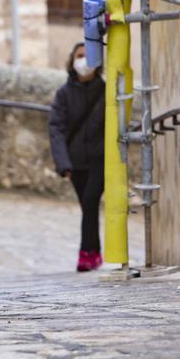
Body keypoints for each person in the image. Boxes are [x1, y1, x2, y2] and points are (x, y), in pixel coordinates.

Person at [48, 42, 106, 272]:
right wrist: (63, 164)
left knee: (91, 201)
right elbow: (56, 129)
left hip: (99, 160)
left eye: (87, 56)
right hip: (75, 161)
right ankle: (95, 252)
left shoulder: (105, 91)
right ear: (72, 60)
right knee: (87, 207)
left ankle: (85, 254)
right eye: (79, 56)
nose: (83, 61)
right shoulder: (63, 94)